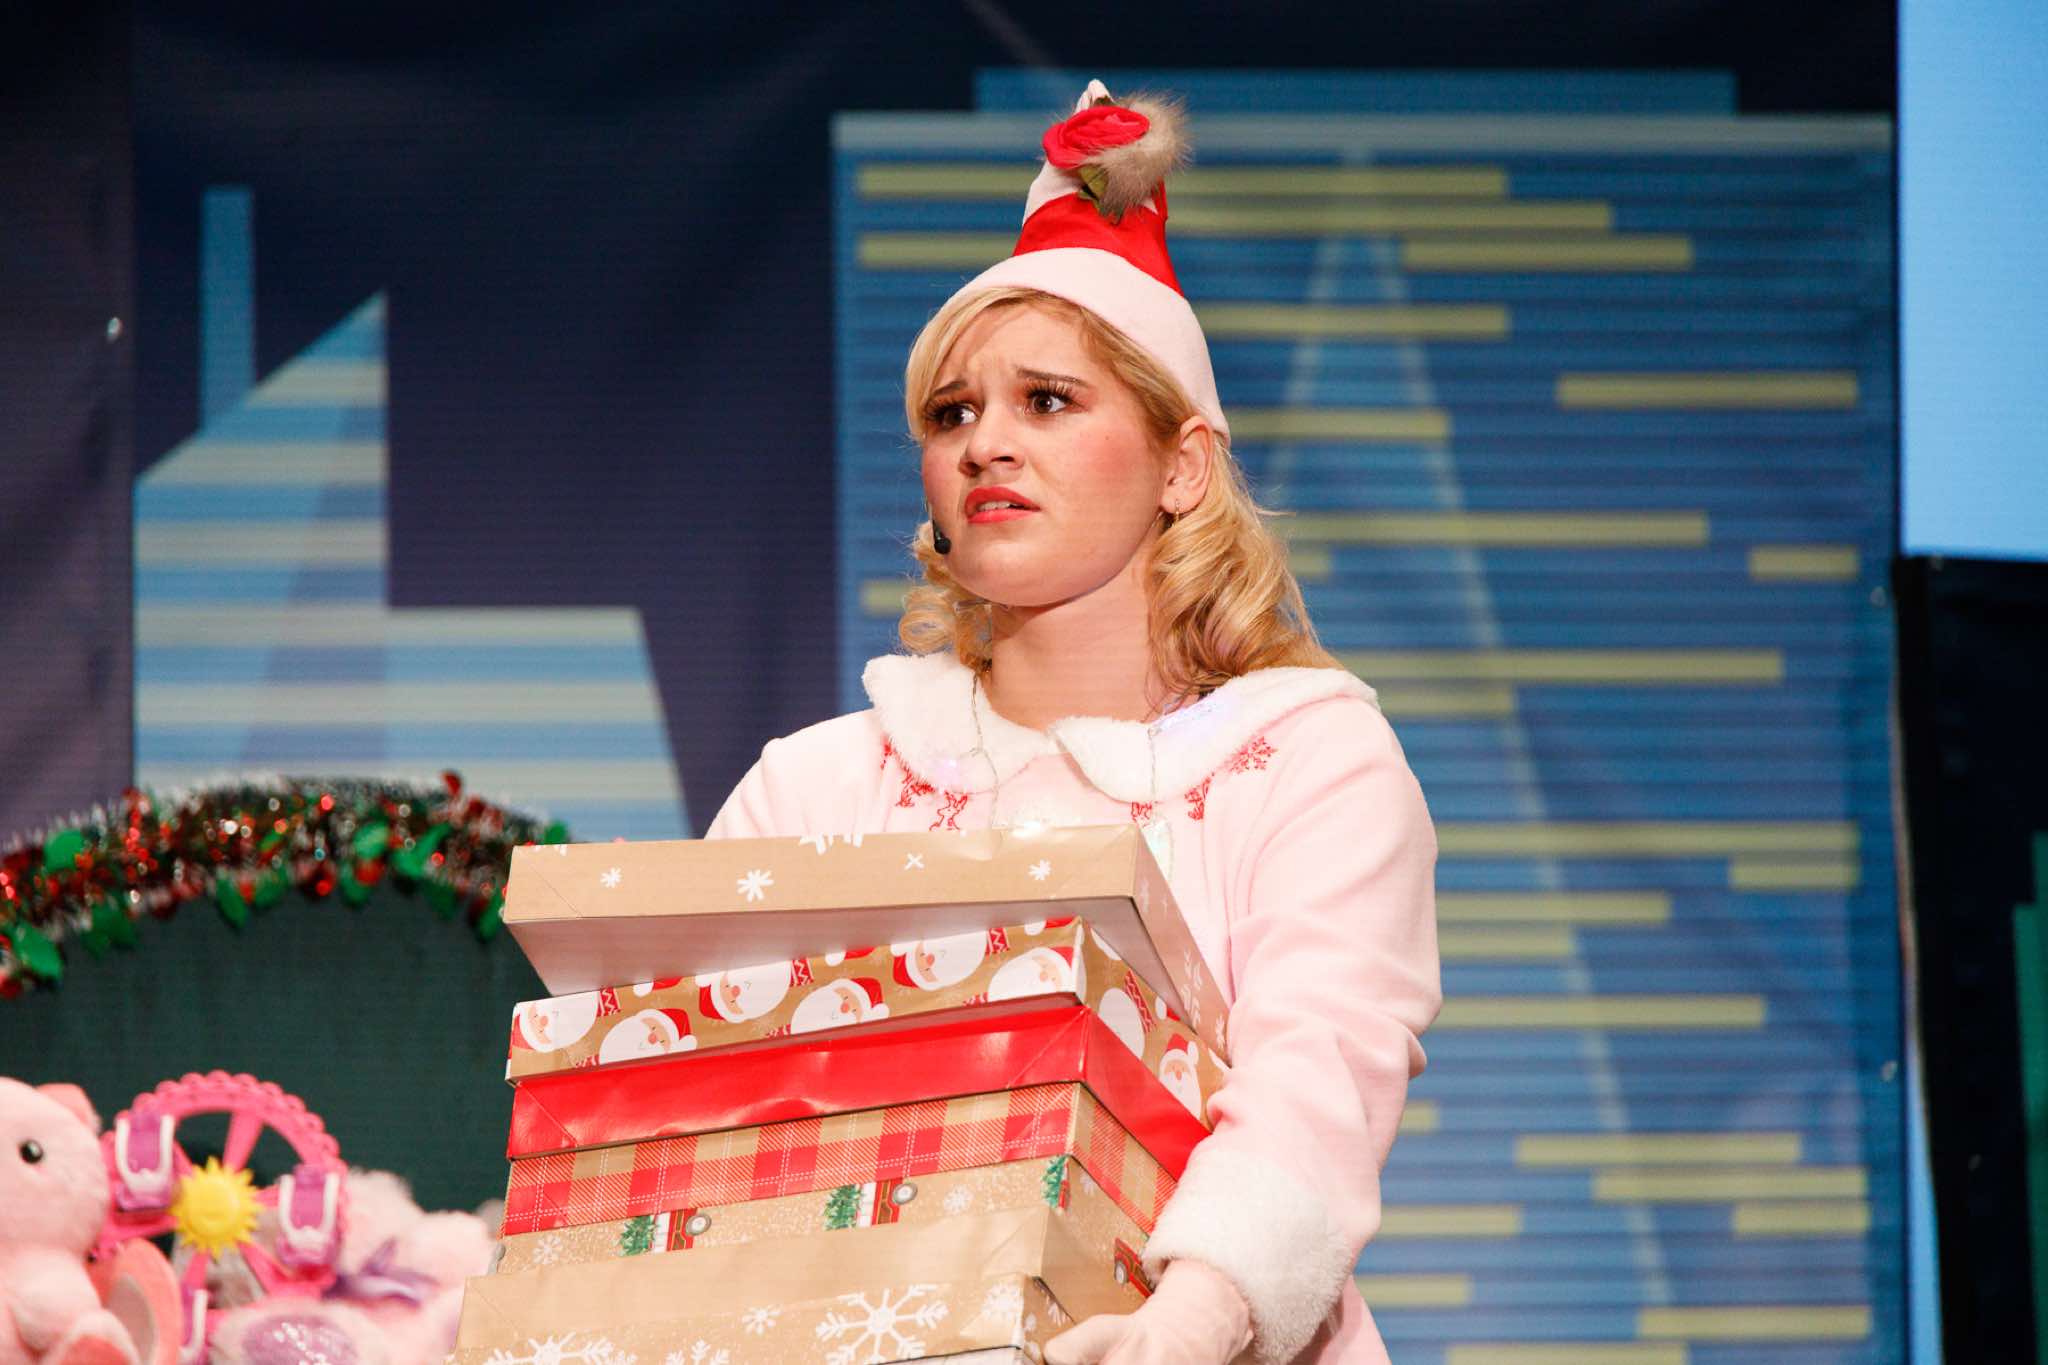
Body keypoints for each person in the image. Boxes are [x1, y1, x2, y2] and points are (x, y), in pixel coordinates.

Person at [705, 79, 1441, 1365]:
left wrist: (1191, 1324)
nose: (985, 444)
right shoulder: (813, 787)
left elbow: (1318, 1076)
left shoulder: (1308, 758)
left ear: (1182, 465)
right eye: (952, 413)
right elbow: (703, 1111)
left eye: (1046, 401)